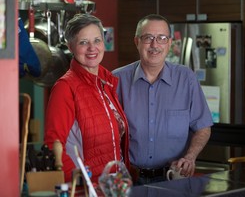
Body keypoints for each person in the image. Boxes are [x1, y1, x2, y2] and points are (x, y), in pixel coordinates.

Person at [112, 14, 213, 185]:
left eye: (161, 38)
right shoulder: (116, 80)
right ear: (137, 41)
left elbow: (203, 127)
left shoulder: (186, 78)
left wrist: (190, 157)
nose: (154, 45)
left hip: (173, 180)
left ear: (169, 43)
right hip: (129, 180)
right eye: (148, 38)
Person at [44, 13, 130, 183]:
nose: (92, 48)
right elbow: (53, 145)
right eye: (83, 42)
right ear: (70, 46)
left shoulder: (107, 83)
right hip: (89, 188)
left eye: (97, 40)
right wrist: (81, 182)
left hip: (115, 185)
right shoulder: (65, 88)